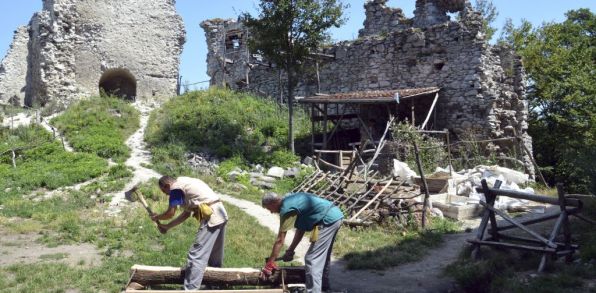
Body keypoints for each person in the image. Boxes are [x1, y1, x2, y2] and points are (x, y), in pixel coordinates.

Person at [151, 175, 228, 291]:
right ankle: (215, 285)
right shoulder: (184, 182)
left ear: (167, 185)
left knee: (196, 256)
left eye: (164, 191)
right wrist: (167, 226)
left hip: (212, 216)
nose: (166, 194)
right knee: (215, 255)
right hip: (220, 213)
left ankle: (190, 289)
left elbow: (170, 213)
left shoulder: (175, 188)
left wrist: (157, 217)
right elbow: (186, 214)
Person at [261, 192, 343, 293]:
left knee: (312, 259)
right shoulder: (291, 200)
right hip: (334, 215)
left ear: (273, 203)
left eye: (269, 209)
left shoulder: (286, 209)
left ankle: (314, 291)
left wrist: (269, 263)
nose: (271, 212)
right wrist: (290, 251)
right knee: (322, 257)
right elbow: (300, 230)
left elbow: (280, 241)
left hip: (327, 220)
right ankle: (324, 288)